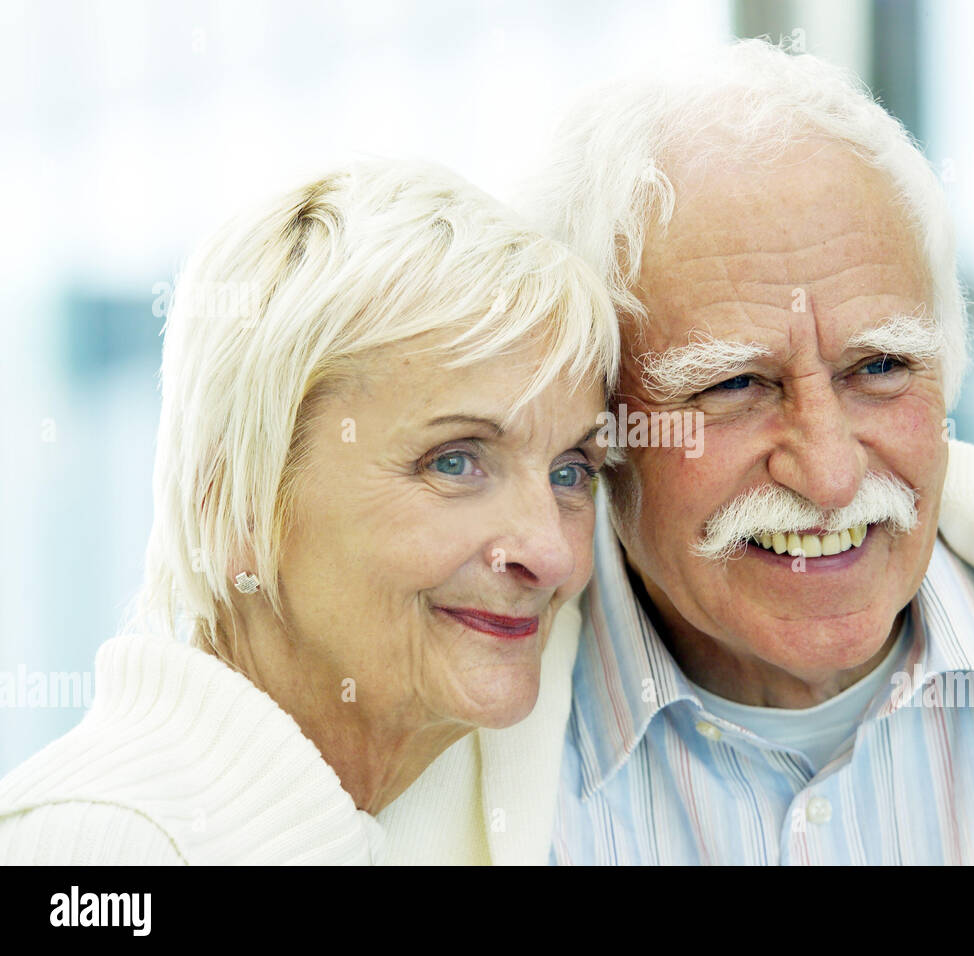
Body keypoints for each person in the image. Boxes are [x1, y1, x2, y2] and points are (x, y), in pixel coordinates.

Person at [380, 39, 974, 864]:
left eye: (882, 367)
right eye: (734, 386)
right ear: (596, 426)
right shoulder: (422, 741)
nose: (829, 474)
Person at [0, 160, 618, 864]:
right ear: (236, 506)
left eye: (572, 472)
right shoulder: (92, 847)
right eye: (454, 462)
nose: (554, 554)